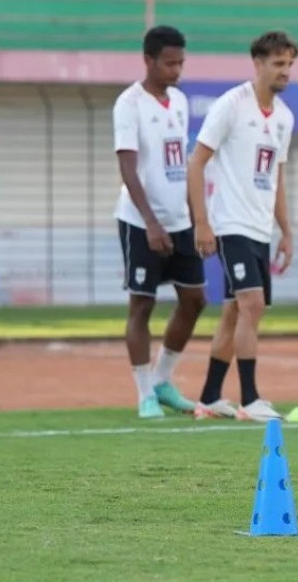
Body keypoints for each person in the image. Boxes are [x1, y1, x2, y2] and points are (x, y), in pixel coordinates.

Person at [188, 31, 298, 423]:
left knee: (236, 312)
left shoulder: (284, 117)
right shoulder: (231, 105)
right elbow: (196, 162)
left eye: (289, 64)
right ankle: (250, 400)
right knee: (252, 305)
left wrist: (286, 231)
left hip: (259, 230)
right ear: (257, 63)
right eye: (277, 63)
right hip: (230, 224)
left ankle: (209, 398)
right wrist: (202, 222)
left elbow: (277, 178)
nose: (284, 71)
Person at [112, 25, 207, 419]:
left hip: (180, 220)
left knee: (195, 299)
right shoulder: (129, 104)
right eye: (169, 63)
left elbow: (179, 164)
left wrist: (197, 218)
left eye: (181, 62)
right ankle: (143, 394)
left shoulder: (181, 102)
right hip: (139, 222)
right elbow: (128, 168)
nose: (176, 70)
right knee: (142, 304)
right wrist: (150, 224)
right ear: (148, 60)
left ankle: (162, 380)